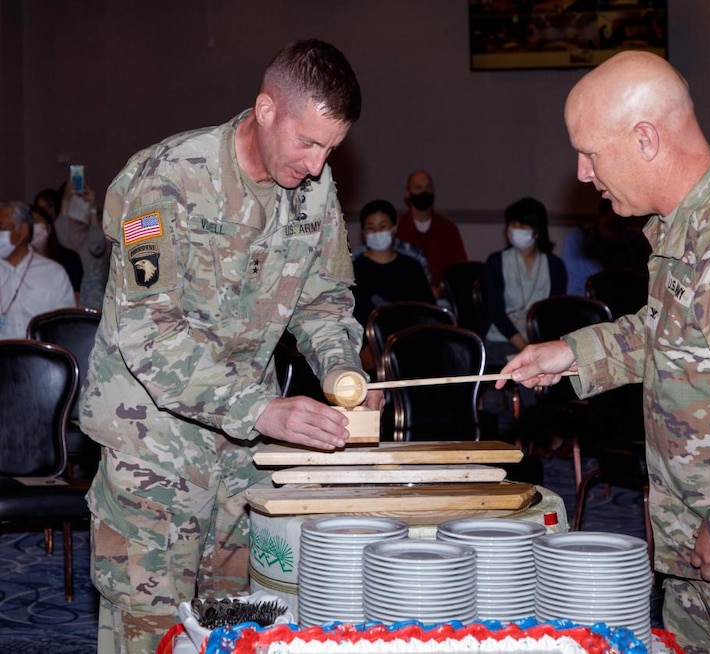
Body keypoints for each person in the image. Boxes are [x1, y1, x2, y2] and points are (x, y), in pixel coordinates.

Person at [78, 39, 382, 654]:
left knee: (234, 625)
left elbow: (322, 299)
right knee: (150, 627)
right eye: (309, 143)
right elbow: (150, 335)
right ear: (266, 109)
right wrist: (264, 411)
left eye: (332, 148)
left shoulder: (313, 195)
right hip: (153, 448)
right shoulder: (163, 180)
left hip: (243, 455)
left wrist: (341, 368)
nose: (320, 166)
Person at [498, 50, 710, 653]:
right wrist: (569, 354)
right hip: (696, 548)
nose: (580, 173)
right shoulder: (688, 228)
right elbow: (668, 334)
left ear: (646, 139)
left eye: (590, 152)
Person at [481, 197, 567, 369]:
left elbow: (554, 311)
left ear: (537, 231)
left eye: (522, 226)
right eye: (512, 225)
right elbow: (495, 312)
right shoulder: (496, 262)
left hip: (539, 340)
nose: (515, 230)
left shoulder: (554, 266)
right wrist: (524, 346)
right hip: (502, 339)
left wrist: (536, 347)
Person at [351, 199, 435, 327]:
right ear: (363, 232)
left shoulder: (411, 267)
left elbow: (428, 311)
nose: (377, 232)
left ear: (394, 227)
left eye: (383, 226)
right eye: (370, 228)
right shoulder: (354, 271)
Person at [0, 201, 75, 338]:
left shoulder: (53, 273)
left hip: (40, 355)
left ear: (22, 230)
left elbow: (66, 328)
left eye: (1, 227)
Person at [395, 169, 467, 296]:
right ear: (407, 192)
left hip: (442, 299)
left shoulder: (448, 229)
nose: (424, 192)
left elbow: (460, 272)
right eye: (418, 187)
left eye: (428, 187)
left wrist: (442, 291)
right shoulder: (397, 229)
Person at [560, 197, 650, 295]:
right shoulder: (578, 239)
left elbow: (640, 285)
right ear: (599, 218)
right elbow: (575, 288)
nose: (614, 234)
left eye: (620, 227)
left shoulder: (635, 241)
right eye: (611, 226)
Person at [55, 179, 111, 310]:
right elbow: (62, 239)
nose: (80, 202)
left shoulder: (96, 229)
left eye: (82, 198)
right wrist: (66, 199)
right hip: (67, 296)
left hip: (93, 297)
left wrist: (92, 209)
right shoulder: (61, 231)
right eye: (76, 198)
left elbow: (97, 247)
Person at [29, 203, 84, 295]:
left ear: (49, 228)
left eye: (36, 221)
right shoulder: (15, 261)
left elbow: (76, 295)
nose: (31, 226)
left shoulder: (70, 259)